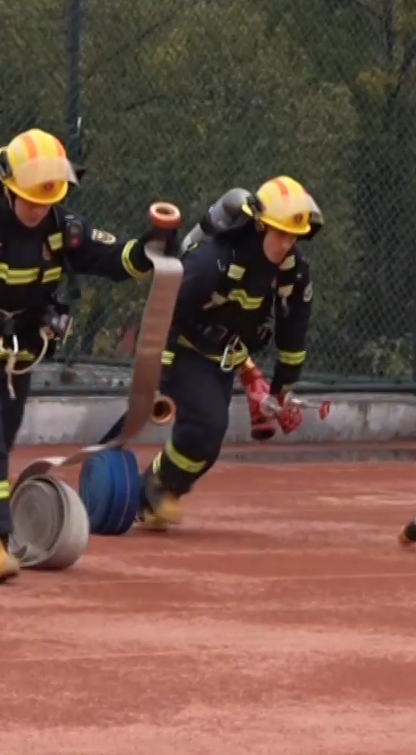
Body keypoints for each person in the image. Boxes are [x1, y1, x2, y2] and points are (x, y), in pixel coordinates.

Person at [0, 127, 176, 583]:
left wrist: (153, 246)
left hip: (13, 362)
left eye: (49, 196)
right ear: (6, 186)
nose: (39, 205)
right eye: (30, 196)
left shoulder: (64, 230)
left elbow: (117, 258)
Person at [102, 178, 321, 530]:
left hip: (223, 358)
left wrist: (282, 392)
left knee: (208, 443)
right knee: (208, 423)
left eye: (294, 236)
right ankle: (146, 488)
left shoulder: (292, 272)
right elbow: (167, 308)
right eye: (281, 233)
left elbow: (294, 331)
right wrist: (159, 373)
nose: (287, 244)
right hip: (183, 349)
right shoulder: (214, 259)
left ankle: (152, 492)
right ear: (261, 225)